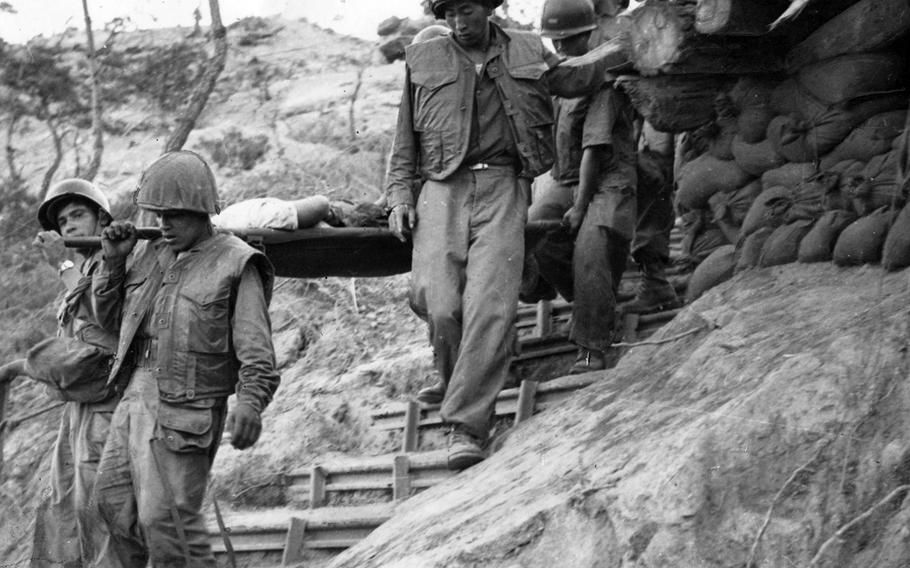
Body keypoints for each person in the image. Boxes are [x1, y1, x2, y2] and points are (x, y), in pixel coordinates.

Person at [386, 0, 621, 470]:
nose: (457, 23)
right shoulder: (424, 57)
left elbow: (574, 79)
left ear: (488, 8)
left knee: (491, 305)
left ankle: (466, 425)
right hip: (441, 187)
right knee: (440, 303)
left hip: (503, 185)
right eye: (448, 13)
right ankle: (462, 387)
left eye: (467, 11)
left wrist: (622, 49)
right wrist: (398, 195)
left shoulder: (528, 49)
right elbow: (404, 138)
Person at [91, 151, 280, 566]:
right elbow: (109, 322)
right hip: (135, 398)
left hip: (188, 408)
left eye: (174, 215)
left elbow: (256, 347)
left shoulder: (236, 261)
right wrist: (114, 262)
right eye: (158, 214)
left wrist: (251, 402)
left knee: (168, 521)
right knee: (112, 507)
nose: (163, 225)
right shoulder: (149, 252)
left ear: (201, 211)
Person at [0, 179, 122, 567]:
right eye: (63, 220)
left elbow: (104, 317)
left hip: (110, 409)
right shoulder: (85, 266)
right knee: (62, 508)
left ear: (102, 218)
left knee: (99, 510)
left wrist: (62, 264)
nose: (68, 226)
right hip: (79, 410)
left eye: (77, 215)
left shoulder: (115, 262)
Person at [525, 0, 638, 374]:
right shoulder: (560, 82)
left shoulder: (601, 81)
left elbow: (595, 150)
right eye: (555, 42)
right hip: (566, 179)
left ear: (588, 35)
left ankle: (592, 346)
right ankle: (596, 304)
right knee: (534, 232)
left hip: (607, 180)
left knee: (591, 247)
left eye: (569, 41)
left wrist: (580, 206)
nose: (561, 49)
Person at [619, 122, 682, 314]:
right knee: (643, 223)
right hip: (647, 154)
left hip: (659, 159)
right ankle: (655, 284)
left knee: (649, 226)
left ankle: (656, 285)